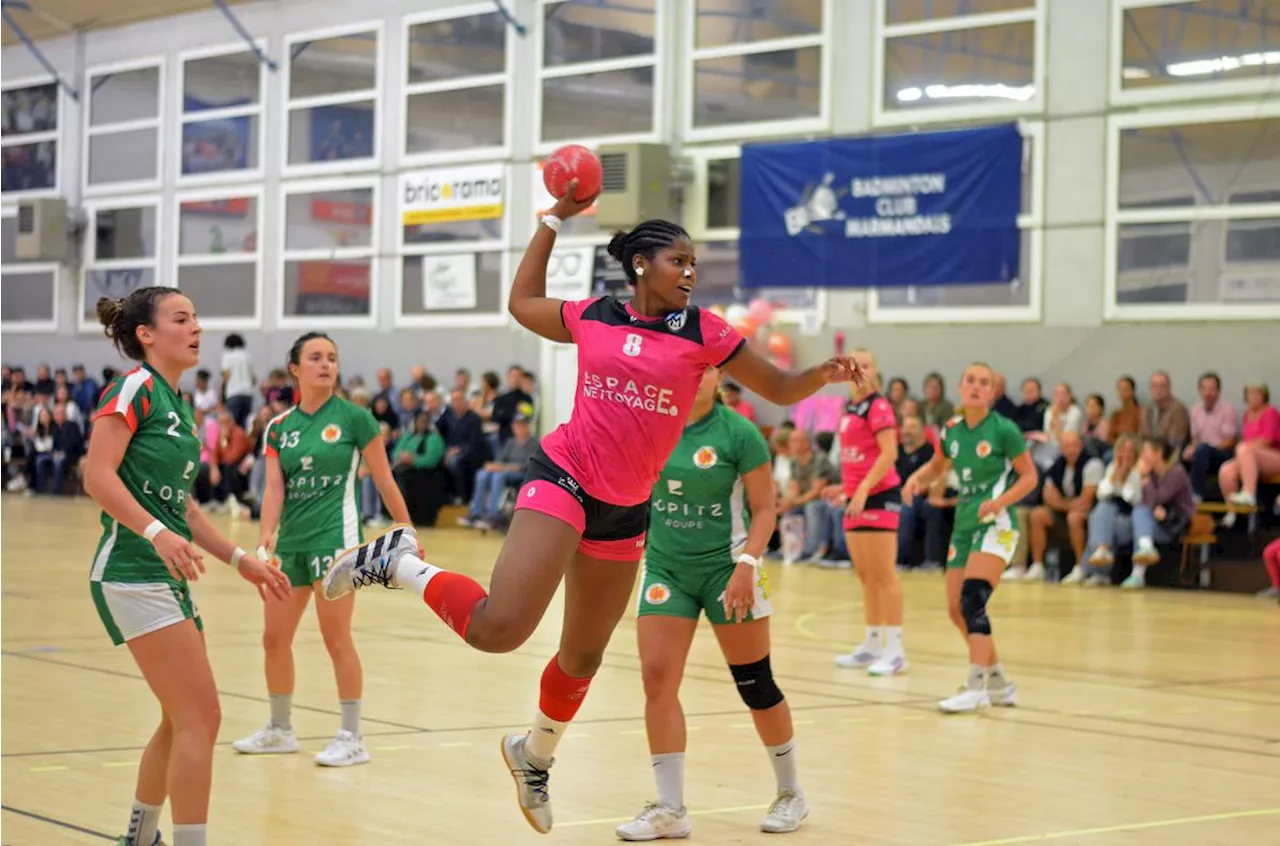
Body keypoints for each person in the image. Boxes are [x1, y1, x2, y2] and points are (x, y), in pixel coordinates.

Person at [322, 181, 858, 834]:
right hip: (565, 477)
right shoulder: (597, 315)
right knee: (502, 629)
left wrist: (822, 375)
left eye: (694, 263)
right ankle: (401, 562)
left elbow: (778, 385)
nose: (690, 272)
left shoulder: (705, 332)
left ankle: (533, 755)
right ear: (641, 265)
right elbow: (521, 302)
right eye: (677, 261)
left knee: (582, 658)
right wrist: (551, 218)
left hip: (625, 510)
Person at [83, 288, 290, 846]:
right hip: (131, 569)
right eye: (181, 318)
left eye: (197, 317)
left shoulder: (179, 405)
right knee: (203, 717)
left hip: (159, 575)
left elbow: (184, 507)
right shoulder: (134, 388)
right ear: (146, 335)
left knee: (181, 719)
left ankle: (141, 836)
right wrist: (155, 534)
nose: (196, 327)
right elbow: (97, 476)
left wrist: (240, 558)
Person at [616, 367, 805, 840]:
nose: (689, 374)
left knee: (755, 684)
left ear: (717, 373)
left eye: (701, 367)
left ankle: (790, 794)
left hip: (728, 570)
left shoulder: (738, 432)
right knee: (657, 678)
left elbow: (765, 509)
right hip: (666, 569)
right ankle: (670, 807)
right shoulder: (650, 423)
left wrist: (747, 564)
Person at [232, 333, 411, 767]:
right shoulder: (279, 428)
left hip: (336, 543)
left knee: (336, 638)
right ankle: (280, 729)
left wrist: (405, 528)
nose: (326, 364)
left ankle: (352, 736)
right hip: (290, 545)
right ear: (295, 368)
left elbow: (384, 479)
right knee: (274, 639)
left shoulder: (355, 419)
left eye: (331, 357)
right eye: (315, 358)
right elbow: (274, 490)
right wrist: (263, 539)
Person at [902, 363, 1038, 714]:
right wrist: (917, 479)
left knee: (973, 600)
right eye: (971, 381)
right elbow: (937, 465)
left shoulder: (1004, 430)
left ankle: (976, 686)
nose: (977, 387)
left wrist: (1000, 501)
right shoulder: (950, 430)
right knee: (955, 609)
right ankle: (999, 683)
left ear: (992, 392)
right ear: (961, 388)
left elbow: (1029, 477)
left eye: (985, 383)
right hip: (963, 525)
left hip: (997, 523)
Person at [829, 349, 908, 676]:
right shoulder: (849, 407)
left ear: (876, 371)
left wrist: (862, 489)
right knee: (867, 576)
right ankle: (872, 643)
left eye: (866, 365)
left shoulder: (879, 406)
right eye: (854, 365)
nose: (859, 370)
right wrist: (845, 489)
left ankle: (896, 648)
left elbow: (889, 453)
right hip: (855, 498)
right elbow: (855, 455)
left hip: (878, 496)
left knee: (885, 574)